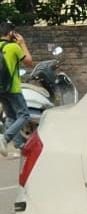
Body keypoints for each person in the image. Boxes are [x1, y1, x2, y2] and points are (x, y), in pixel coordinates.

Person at [0, 21, 32, 157]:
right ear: (11, 33)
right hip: (12, 88)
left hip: (1, 89)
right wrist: (22, 43)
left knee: (12, 116)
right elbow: (29, 62)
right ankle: (4, 138)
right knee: (24, 115)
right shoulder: (13, 47)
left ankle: (18, 147)